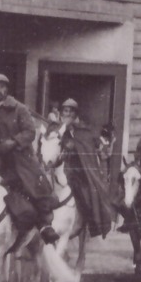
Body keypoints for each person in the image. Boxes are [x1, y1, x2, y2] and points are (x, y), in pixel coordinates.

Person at [0, 73, 59, 244]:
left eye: (2, 86)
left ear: (7, 89)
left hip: (18, 160)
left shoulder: (20, 109)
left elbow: (30, 132)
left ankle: (45, 225)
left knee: (34, 187)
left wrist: (14, 142)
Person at [55, 99, 114, 239]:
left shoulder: (84, 132)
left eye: (71, 111)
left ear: (75, 114)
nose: (68, 114)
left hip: (79, 173)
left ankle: (87, 225)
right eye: (65, 111)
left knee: (87, 198)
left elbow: (101, 151)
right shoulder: (57, 129)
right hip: (60, 170)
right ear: (61, 113)